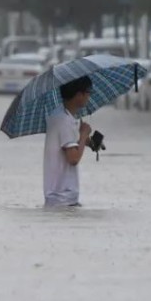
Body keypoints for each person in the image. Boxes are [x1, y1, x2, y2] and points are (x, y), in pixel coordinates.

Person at [44, 76, 93, 207]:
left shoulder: (58, 115)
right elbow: (73, 158)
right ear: (79, 95)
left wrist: (85, 140)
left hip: (57, 197)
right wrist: (83, 135)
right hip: (63, 199)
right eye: (88, 92)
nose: (89, 96)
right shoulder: (65, 121)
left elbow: (66, 146)